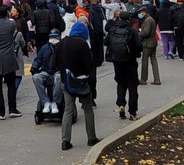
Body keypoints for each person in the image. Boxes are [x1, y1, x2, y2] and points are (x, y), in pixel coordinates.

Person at [55, 22, 98, 151]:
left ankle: (65, 141)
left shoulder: (61, 43)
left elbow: (56, 63)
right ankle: (91, 138)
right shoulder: (82, 44)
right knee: (88, 109)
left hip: (66, 81)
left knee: (68, 110)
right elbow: (88, 64)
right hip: (82, 81)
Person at [0, 4, 23, 119]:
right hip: (9, 57)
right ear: (7, 12)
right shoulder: (11, 24)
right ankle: (12, 108)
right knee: (11, 85)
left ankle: (0, 112)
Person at [105, 10, 139, 120]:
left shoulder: (113, 29)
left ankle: (121, 105)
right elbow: (138, 45)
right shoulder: (132, 30)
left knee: (121, 84)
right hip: (130, 60)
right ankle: (133, 112)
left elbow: (105, 42)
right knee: (132, 86)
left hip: (117, 61)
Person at [30, 29, 63, 119]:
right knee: (36, 77)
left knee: (59, 77)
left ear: (59, 37)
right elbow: (38, 59)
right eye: (51, 37)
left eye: (55, 37)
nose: (53, 39)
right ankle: (46, 102)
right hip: (46, 71)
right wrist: (35, 66)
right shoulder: (45, 48)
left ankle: (55, 102)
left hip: (58, 71)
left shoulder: (63, 47)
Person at [137, 5, 161, 86]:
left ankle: (143, 79)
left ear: (144, 12)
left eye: (140, 12)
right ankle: (157, 78)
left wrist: (139, 34)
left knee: (145, 61)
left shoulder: (147, 20)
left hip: (147, 43)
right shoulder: (151, 19)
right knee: (154, 60)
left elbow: (146, 32)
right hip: (153, 42)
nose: (140, 14)